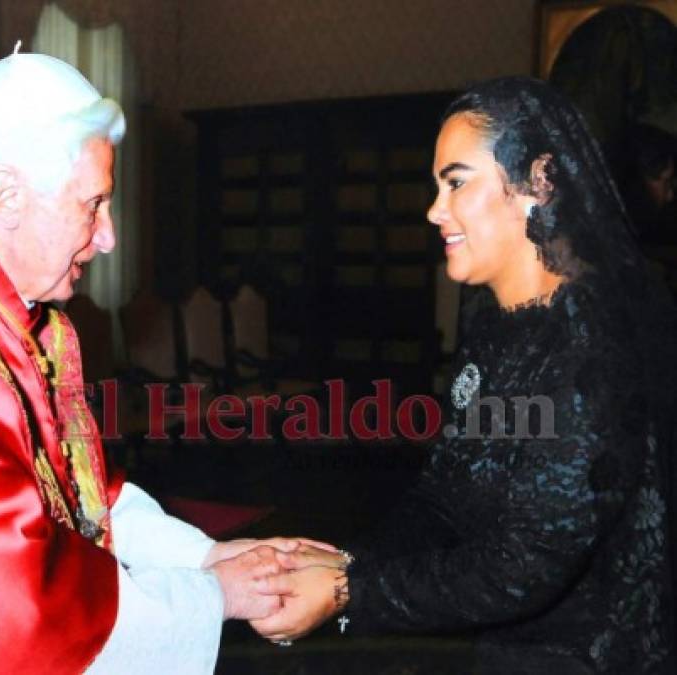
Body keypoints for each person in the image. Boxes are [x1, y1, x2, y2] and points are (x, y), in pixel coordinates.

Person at [0, 49, 333, 674]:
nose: (108, 237)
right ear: (7, 195)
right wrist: (217, 595)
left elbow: (77, 495)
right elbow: (26, 617)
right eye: (92, 204)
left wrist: (205, 557)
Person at [253, 77, 677, 673]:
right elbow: (445, 498)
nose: (433, 210)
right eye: (436, 187)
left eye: (456, 182)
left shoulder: (593, 349)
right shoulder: (498, 328)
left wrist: (350, 593)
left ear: (540, 180)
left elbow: (524, 566)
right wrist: (351, 564)